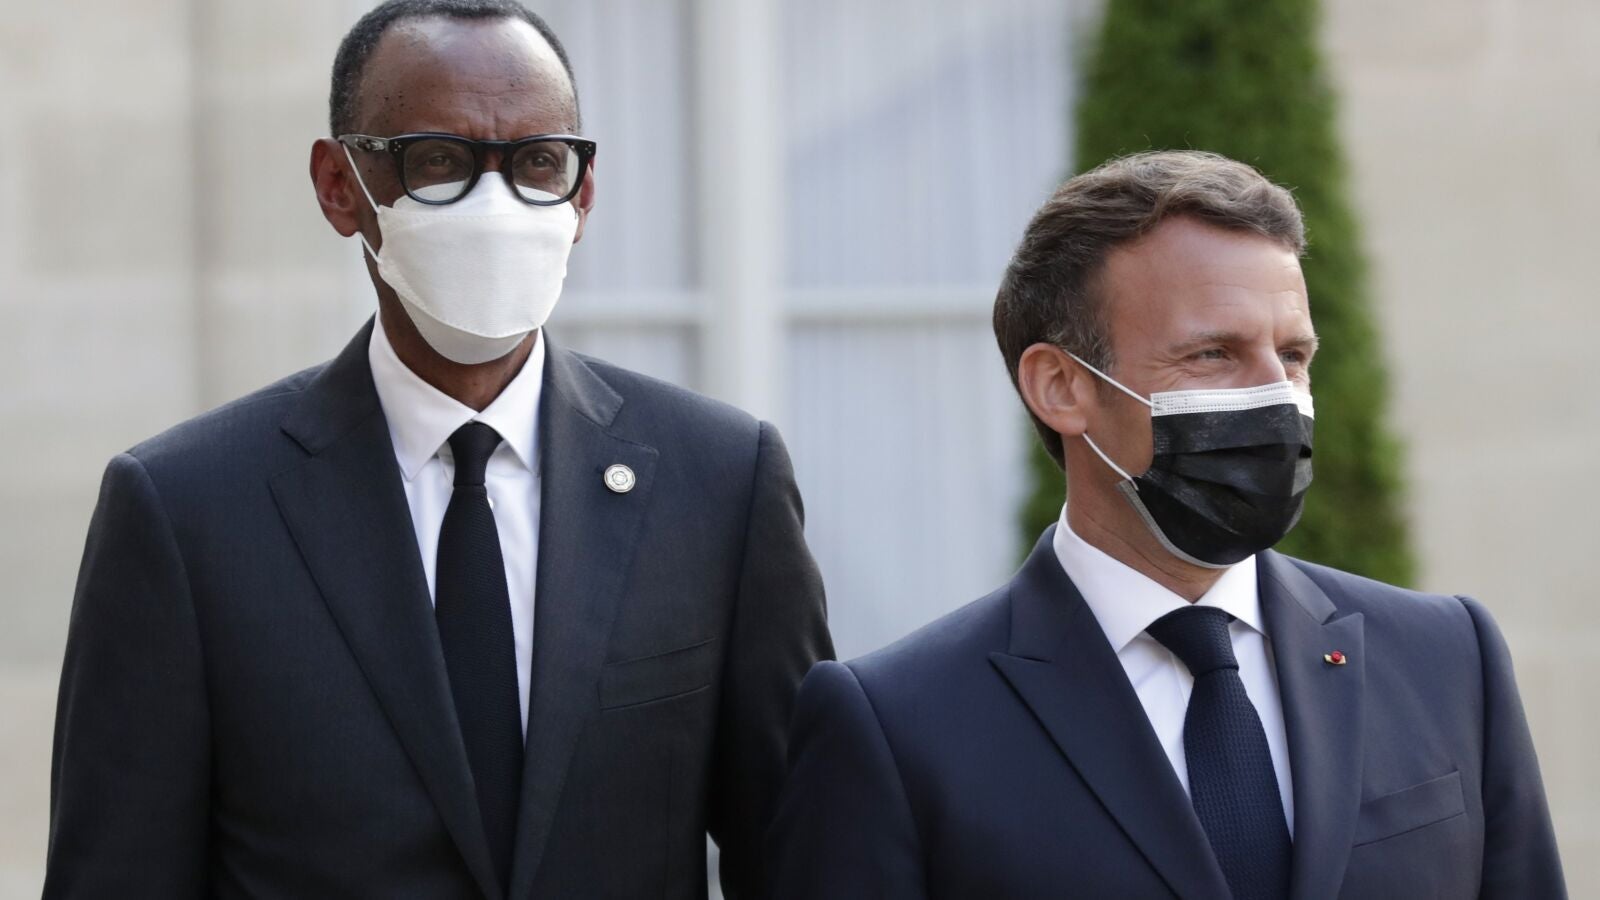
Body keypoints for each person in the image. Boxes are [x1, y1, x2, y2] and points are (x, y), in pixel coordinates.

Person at [45, 2, 832, 897]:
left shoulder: (719, 483)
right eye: (440, 162)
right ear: (340, 186)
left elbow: (809, 854)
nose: (496, 206)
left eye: (538, 162)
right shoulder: (187, 511)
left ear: (582, 195)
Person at [767, 150, 1563, 899]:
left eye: (1293, 356)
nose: (1277, 396)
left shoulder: (1445, 658)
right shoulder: (898, 725)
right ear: (1060, 387)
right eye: (1213, 354)